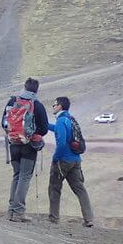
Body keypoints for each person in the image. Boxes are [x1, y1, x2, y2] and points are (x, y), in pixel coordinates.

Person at [1, 78, 49, 222]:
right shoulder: (37, 105)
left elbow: (3, 123)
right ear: (36, 89)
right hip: (29, 146)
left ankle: (10, 211)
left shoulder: (12, 102)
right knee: (25, 177)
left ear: (24, 87)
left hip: (13, 144)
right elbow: (44, 129)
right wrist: (33, 135)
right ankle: (19, 211)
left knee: (16, 176)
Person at [47, 96, 94, 227]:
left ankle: (53, 218)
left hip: (63, 160)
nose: (53, 106)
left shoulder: (62, 120)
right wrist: (46, 125)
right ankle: (89, 218)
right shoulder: (70, 119)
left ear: (60, 106)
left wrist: (55, 157)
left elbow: (61, 143)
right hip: (76, 160)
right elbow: (59, 129)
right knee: (80, 189)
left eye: (54, 104)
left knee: (54, 188)